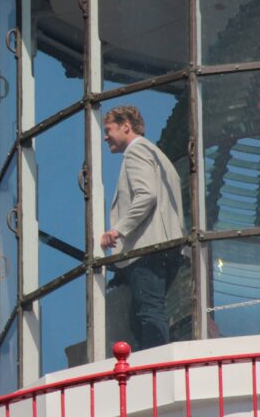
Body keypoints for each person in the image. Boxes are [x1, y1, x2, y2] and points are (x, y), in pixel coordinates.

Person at [100, 106, 185, 350]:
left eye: (109, 130)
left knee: (148, 312)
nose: (106, 137)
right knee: (144, 313)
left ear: (126, 125)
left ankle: (154, 364)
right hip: (168, 248)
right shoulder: (159, 157)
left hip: (147, 249)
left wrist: (118, 230)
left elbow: (146, 196)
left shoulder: (136, 152)